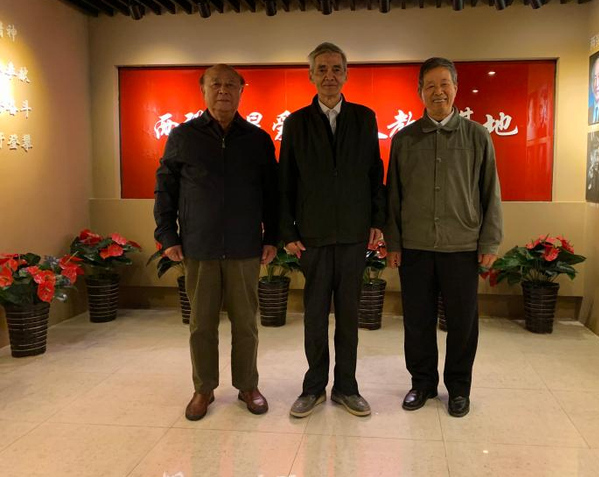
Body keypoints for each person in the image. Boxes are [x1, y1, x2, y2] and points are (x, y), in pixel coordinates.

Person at [154, 64, 278, 420]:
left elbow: (273, 193)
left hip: (244, 247)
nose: (223, 90)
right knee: (201, 324)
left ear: (241, 90)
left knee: (246, 323)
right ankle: (203, 388)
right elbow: (165, 189)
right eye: (216, 84)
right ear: (203, 90)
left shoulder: (257, 139)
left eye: (230, 85)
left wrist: (272, 236)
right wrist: (167, 235)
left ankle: (248, 385)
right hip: (200, 246)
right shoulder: (183, 136)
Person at [384, 57, 503, 418]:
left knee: (462, 323)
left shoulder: (477, 136)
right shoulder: (404, 140)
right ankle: (421, 383)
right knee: (417, 321)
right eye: (430, 85)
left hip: (461, 247)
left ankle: (459, 389)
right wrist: (393, 242)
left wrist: (489, 242)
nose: (438, 92)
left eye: (444, 84)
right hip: (416, 247)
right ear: (420, 91)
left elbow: (490, 192)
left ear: (456, 88)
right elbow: (393, 195)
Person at [279, 42, 385, 418]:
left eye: (336, 68)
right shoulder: (296, 123)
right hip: (313, 235)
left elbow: (375, 173)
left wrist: (377, 221)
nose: (329, 75)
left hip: (354, 233)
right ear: (311, 75)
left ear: (346, 74)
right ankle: (313, 388)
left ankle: (346, 388)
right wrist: (287, 230)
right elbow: (285, 180)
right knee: (314, 316)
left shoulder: (364, 118)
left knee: (349, 316)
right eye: (322, 69)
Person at [586, 133, 599, 203]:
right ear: (590, 156)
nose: (598, 160)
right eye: (596, 155)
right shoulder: (584, 174)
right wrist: (588, 180)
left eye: (598, 156)